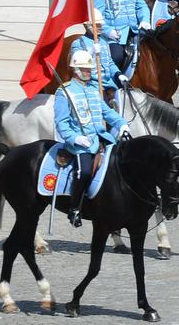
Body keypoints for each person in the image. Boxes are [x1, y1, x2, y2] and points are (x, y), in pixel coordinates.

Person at [54, 49, 128, 228]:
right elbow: (61, 123)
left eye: (89, 69)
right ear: (76, 70)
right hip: (81, 144)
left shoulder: (94, 90)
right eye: (85, 69)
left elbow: (107, 112)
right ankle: (74, 208)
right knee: (85, 172)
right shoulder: (65, 92)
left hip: (100, 137)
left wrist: (122, 123)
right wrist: (75, 138)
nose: (89, 72)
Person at [93, 0, 149, 73]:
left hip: (134, 31)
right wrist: (108, 31)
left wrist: (145, 20)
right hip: (115, 36)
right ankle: (114, 84)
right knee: (116, 57)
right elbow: (97, 17)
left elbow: (141, 6)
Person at [71, 9, 126, 104]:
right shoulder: (79, 43)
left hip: (109, 84)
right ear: (88, 26)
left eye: (100, 25)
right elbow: (78, 66)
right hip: (92, 84)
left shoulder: (104, 42)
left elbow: (109, 63)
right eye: (97, 25)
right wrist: (91, 53)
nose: (100, 27)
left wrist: (118, 74)